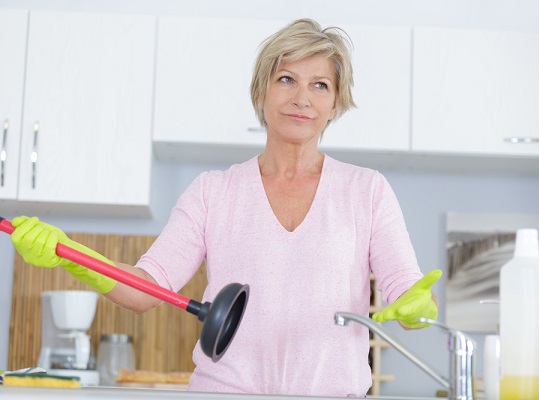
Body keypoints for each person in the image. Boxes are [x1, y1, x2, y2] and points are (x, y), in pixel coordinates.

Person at [10, 18, 441, 397]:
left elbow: (406, 289)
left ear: (334, 105)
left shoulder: (367, 191)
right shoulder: (212, 192)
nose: (302, 97)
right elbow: (145, 290)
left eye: (320, 85)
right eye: (286, 78)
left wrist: (417, 306)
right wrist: (71, 254)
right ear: (262, 91)